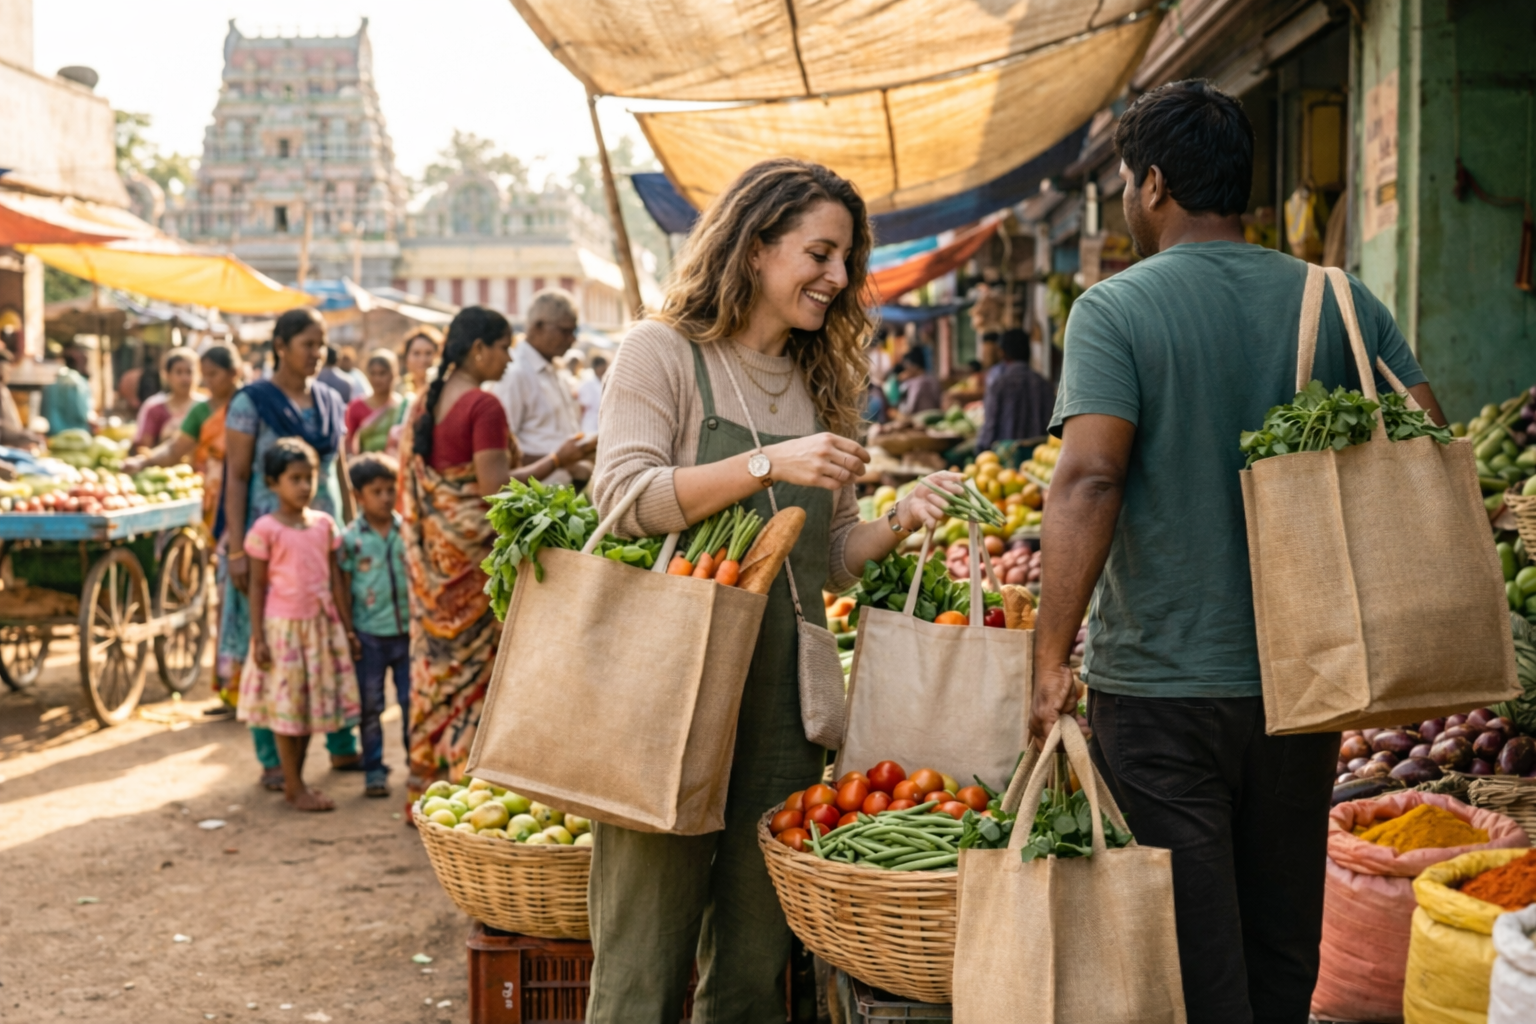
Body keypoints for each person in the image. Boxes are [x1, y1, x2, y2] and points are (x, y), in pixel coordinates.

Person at [1028, 80, 1444, 1024]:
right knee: (1282, 949)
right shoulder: (1340, 299)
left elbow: (1090, 478)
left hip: (1161, 687)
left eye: (1127, 182)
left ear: (1154, 185)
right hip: (1309, 680)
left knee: (1194, 964)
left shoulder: (1114, 310)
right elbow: (1427, 440)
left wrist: (1049, 658)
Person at [586, 157, 963, 1022]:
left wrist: (900, 517)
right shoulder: (662, 353)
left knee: (755, 964)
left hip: (783, 695)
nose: (837, 278)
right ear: (755, 248)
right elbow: (626, 499)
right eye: (819, 254)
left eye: (846, 262)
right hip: (670, 686)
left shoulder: (821, 383)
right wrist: (766, 462)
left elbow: (825, 558)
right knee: (643, 954)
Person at [399, 306, 587, 801]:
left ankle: (427, 779)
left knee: (440, 667)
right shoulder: (483, 408)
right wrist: (559, 460)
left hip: (434, 564)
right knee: (479, 672)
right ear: (478, 350)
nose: (508, 357)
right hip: (472, 565)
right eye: (503, 346)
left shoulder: (423, 404)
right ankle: (468, 785)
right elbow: (494, 490)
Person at [223, 308, 360, 791]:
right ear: (280, 346)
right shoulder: (251, 401)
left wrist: (353, 529)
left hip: (324, 540)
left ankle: (342, 745)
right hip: (271, 547)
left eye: (321, 344)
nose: (317, 353)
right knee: (271, 650)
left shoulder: (330, 400)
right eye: (307, 343)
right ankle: (272, 760)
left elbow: (340, 471)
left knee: (331, 639)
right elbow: (236, 476)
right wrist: (237, 549)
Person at [238, 438, 361, 812]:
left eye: (309, 478)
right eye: (295, 479)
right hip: (283, 633)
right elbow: (257, 586)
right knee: (286, 711)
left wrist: (347, 628)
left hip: (319, 629)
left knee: (306, 711)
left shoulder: (324, 525)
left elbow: (336, 580)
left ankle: (297, 782)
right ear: (273, 483)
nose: (304, 486)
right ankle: (294, 784)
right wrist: (258, 637)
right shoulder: (265, 529)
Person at [339, 453, 411, 799]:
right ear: (359, 496)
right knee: (371, 706)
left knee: (411, 703)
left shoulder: (407, 531)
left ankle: (417, 766)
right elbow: (341, 585)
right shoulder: (351, 539)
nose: (385, 497)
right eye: (376, 491)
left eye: (390, 490)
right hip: (369, 636)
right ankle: (374, 769)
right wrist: (349, 630)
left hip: (407, 633)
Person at [487, 289, 590, 485]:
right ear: (538, 327)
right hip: (532, 497)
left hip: (562, 492)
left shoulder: (555, 370)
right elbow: (499, 454)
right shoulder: (515, 373)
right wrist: (559, 461)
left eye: (573, 331)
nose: (571, 339)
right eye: (565, 331)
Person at [975, 327, 1054, 450]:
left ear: (1002, 352)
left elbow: (990, 425)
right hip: (1038, 454)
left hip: (1005, 454)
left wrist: (981, 449)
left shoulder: (999, 384)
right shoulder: (1044, 384)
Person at [134, 347, 202, 450]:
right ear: (167, 375)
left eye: (189, 372)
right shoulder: (154, 408)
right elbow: (143, 448)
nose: (184, 378)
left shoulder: (205, 406)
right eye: (178, 372)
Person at [344, 349, 407, 455]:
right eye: (372, 373)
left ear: (394, 374)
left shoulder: (403, 406)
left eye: (382, 373)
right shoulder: (356, 406)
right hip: (363, 463)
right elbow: (348, 444)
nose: (376, 379)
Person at [39, 342, 93, 435]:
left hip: (53, 433)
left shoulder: (53, 380)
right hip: (76, 435)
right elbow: (82, 413)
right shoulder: (78, 382)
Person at [0, 348, 42, 449]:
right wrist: (25, 436)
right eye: (7, 370)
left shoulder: (3, 389)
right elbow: (5, 428)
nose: (9, 373)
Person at [896, 348, 941, 415]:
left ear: (914, 366)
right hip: (935, 416)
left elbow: (910, 408)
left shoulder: (914, 383)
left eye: (907, 366)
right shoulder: (933, 380)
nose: (906, 370)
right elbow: (939, 401)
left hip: (919, 418)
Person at [401, 329, 441, 397]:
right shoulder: (399, 390)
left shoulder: (444, 389)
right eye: (416, 353)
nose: (422, 360)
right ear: (406, 356)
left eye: (428, 353)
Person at [577, 354, 607, 436]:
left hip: (603, 421)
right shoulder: (586, 384)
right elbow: (582, 407)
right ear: (597, 368)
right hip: (590, 423)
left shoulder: (606, 382)